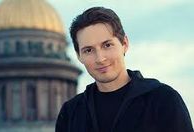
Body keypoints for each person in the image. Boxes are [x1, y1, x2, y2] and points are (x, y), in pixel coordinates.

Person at [55, 7, 193, 132]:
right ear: (79, 56)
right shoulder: (70, 113)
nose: (100, 58)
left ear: (125, 44)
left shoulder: (163, 100)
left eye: (107, 45)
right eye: (88, 50)